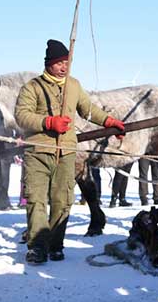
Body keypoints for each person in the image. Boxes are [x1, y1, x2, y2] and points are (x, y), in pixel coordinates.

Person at [15, 39, 125, 265]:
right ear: (49, 64)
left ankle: (55, 245)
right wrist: (48, 122)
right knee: (36, 200)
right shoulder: (33, 87)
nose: (64, 67)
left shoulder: (73, 85)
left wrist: (109, 121)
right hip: (38, 152)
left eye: (67, 62)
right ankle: (37, 247)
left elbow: (88, 109)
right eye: (59, 63)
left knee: (62, 200)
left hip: (65, 152)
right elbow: (22, 115)